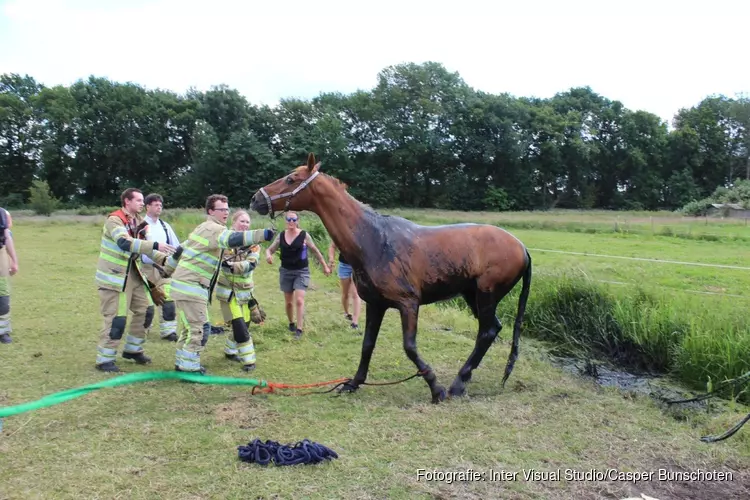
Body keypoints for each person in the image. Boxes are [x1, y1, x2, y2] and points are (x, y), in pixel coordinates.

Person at [170, 194, 276, 374]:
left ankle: (184, 362)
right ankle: (189, 368)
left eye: (227, 209)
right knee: (201, 328)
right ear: (211, 211)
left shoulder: (205, 229)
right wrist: (262, 234)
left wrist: (167, 268)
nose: (225, 212)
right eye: (222, 209)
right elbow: (232, 239)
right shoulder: (215, 231)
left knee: (191, 329)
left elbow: (180, 249)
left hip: (220, 290)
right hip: (200, 287)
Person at [94, 188, 177, 372]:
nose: (142, 203)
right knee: (116, 318)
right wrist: (156, 244)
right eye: (138, 200)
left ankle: (132, 349)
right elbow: (124, 243)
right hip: (114, 278)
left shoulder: (139, 221)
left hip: (134, 275)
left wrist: (164, 259)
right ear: (127, 202)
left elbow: (145, 249)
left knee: (146, 311)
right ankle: (104, 360)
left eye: (142, 200)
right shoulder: (114, 220)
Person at [265, 211, 330, 339]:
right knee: (289, 303)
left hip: (301, 271)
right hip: (286, 271)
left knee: (299, 300)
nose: (291, 222)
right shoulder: (281, 235)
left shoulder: (304, 235)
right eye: (289, 219)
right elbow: (270, 249)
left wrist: (325, 266)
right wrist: (268, 255)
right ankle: (291, 323)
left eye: (294, 220)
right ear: (285, 221)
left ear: (297, 221)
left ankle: (299, 330)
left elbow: (315, 251)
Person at [215, 210, 264, 372]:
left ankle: (230, 351)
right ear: (233, 222)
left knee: (246, 324)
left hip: (245, 292)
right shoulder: (224, 239)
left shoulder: (254, 244)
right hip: (228, 293)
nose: (245, 225)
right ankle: (249, 361)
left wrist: (231, 266)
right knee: (240, 326)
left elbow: (251, 264)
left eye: (247, 222)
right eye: (242, 221)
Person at [141, 193, 181, 341]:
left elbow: (176, 246)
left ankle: (168, 332)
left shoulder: (165, 226)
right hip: (146, 268)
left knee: (168, 300)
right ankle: (140, 333)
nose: (159, 208)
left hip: (164, 269)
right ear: (147, 207)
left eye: (160, 205)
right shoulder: (141, 225)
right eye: (156, 205)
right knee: (146, 305)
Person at [328, 241, 361, 331]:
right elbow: (332, 246)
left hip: (357, 265)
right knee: (345, 294)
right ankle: (347, 313)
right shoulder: (341, 232)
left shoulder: (360, 232)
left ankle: (355, 322)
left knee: (355, 294)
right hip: (344, 265)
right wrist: (331, 259)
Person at [0, 207, 18, 344]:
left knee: (3, 296)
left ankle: (3, 332)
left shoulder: (1, 212)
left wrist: (14, 261)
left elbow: (7, 237)